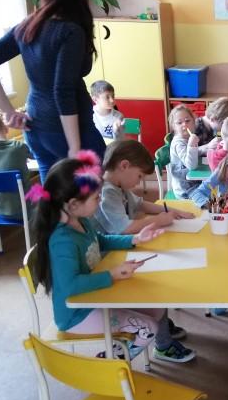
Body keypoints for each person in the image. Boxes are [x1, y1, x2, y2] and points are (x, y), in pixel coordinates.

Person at [29, 151, 195, 363]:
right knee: (148, 328)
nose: (100, 200)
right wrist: (112, 274)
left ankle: (118, 349)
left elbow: (100, 240)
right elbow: (70, 285)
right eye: (96, 197)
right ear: (73, 204)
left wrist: (134, 239)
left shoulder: (81, 219)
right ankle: (110, 363)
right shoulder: (62, 240)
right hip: (77, 314)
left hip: (96, 297)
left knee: (156, 307)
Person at [0, 0, 106, 181]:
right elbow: (62, 90)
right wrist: (74, 146)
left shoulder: (27, 26)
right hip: (70, 130)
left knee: (52, 193)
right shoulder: (70, 31)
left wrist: (9, 112)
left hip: (36, 125)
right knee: (91, 191)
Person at [96, 139, 194, 235]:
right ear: (124, 166)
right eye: (139, 176)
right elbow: (126, 228)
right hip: (110, 245)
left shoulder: (119, 186)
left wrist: (174, 211)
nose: (139, 182)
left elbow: (140, 204)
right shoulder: (107, 192)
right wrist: (158, 220)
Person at [168, 105, 200, 199]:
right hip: (185, 190)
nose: (184, 125)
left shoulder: (187, 138)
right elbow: (191, 165)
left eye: (187, 121)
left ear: (193, 122)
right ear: (173, 127)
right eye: (179, 123)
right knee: (211, 197)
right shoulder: (178, 143)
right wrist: (191, 145)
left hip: (193, 183)